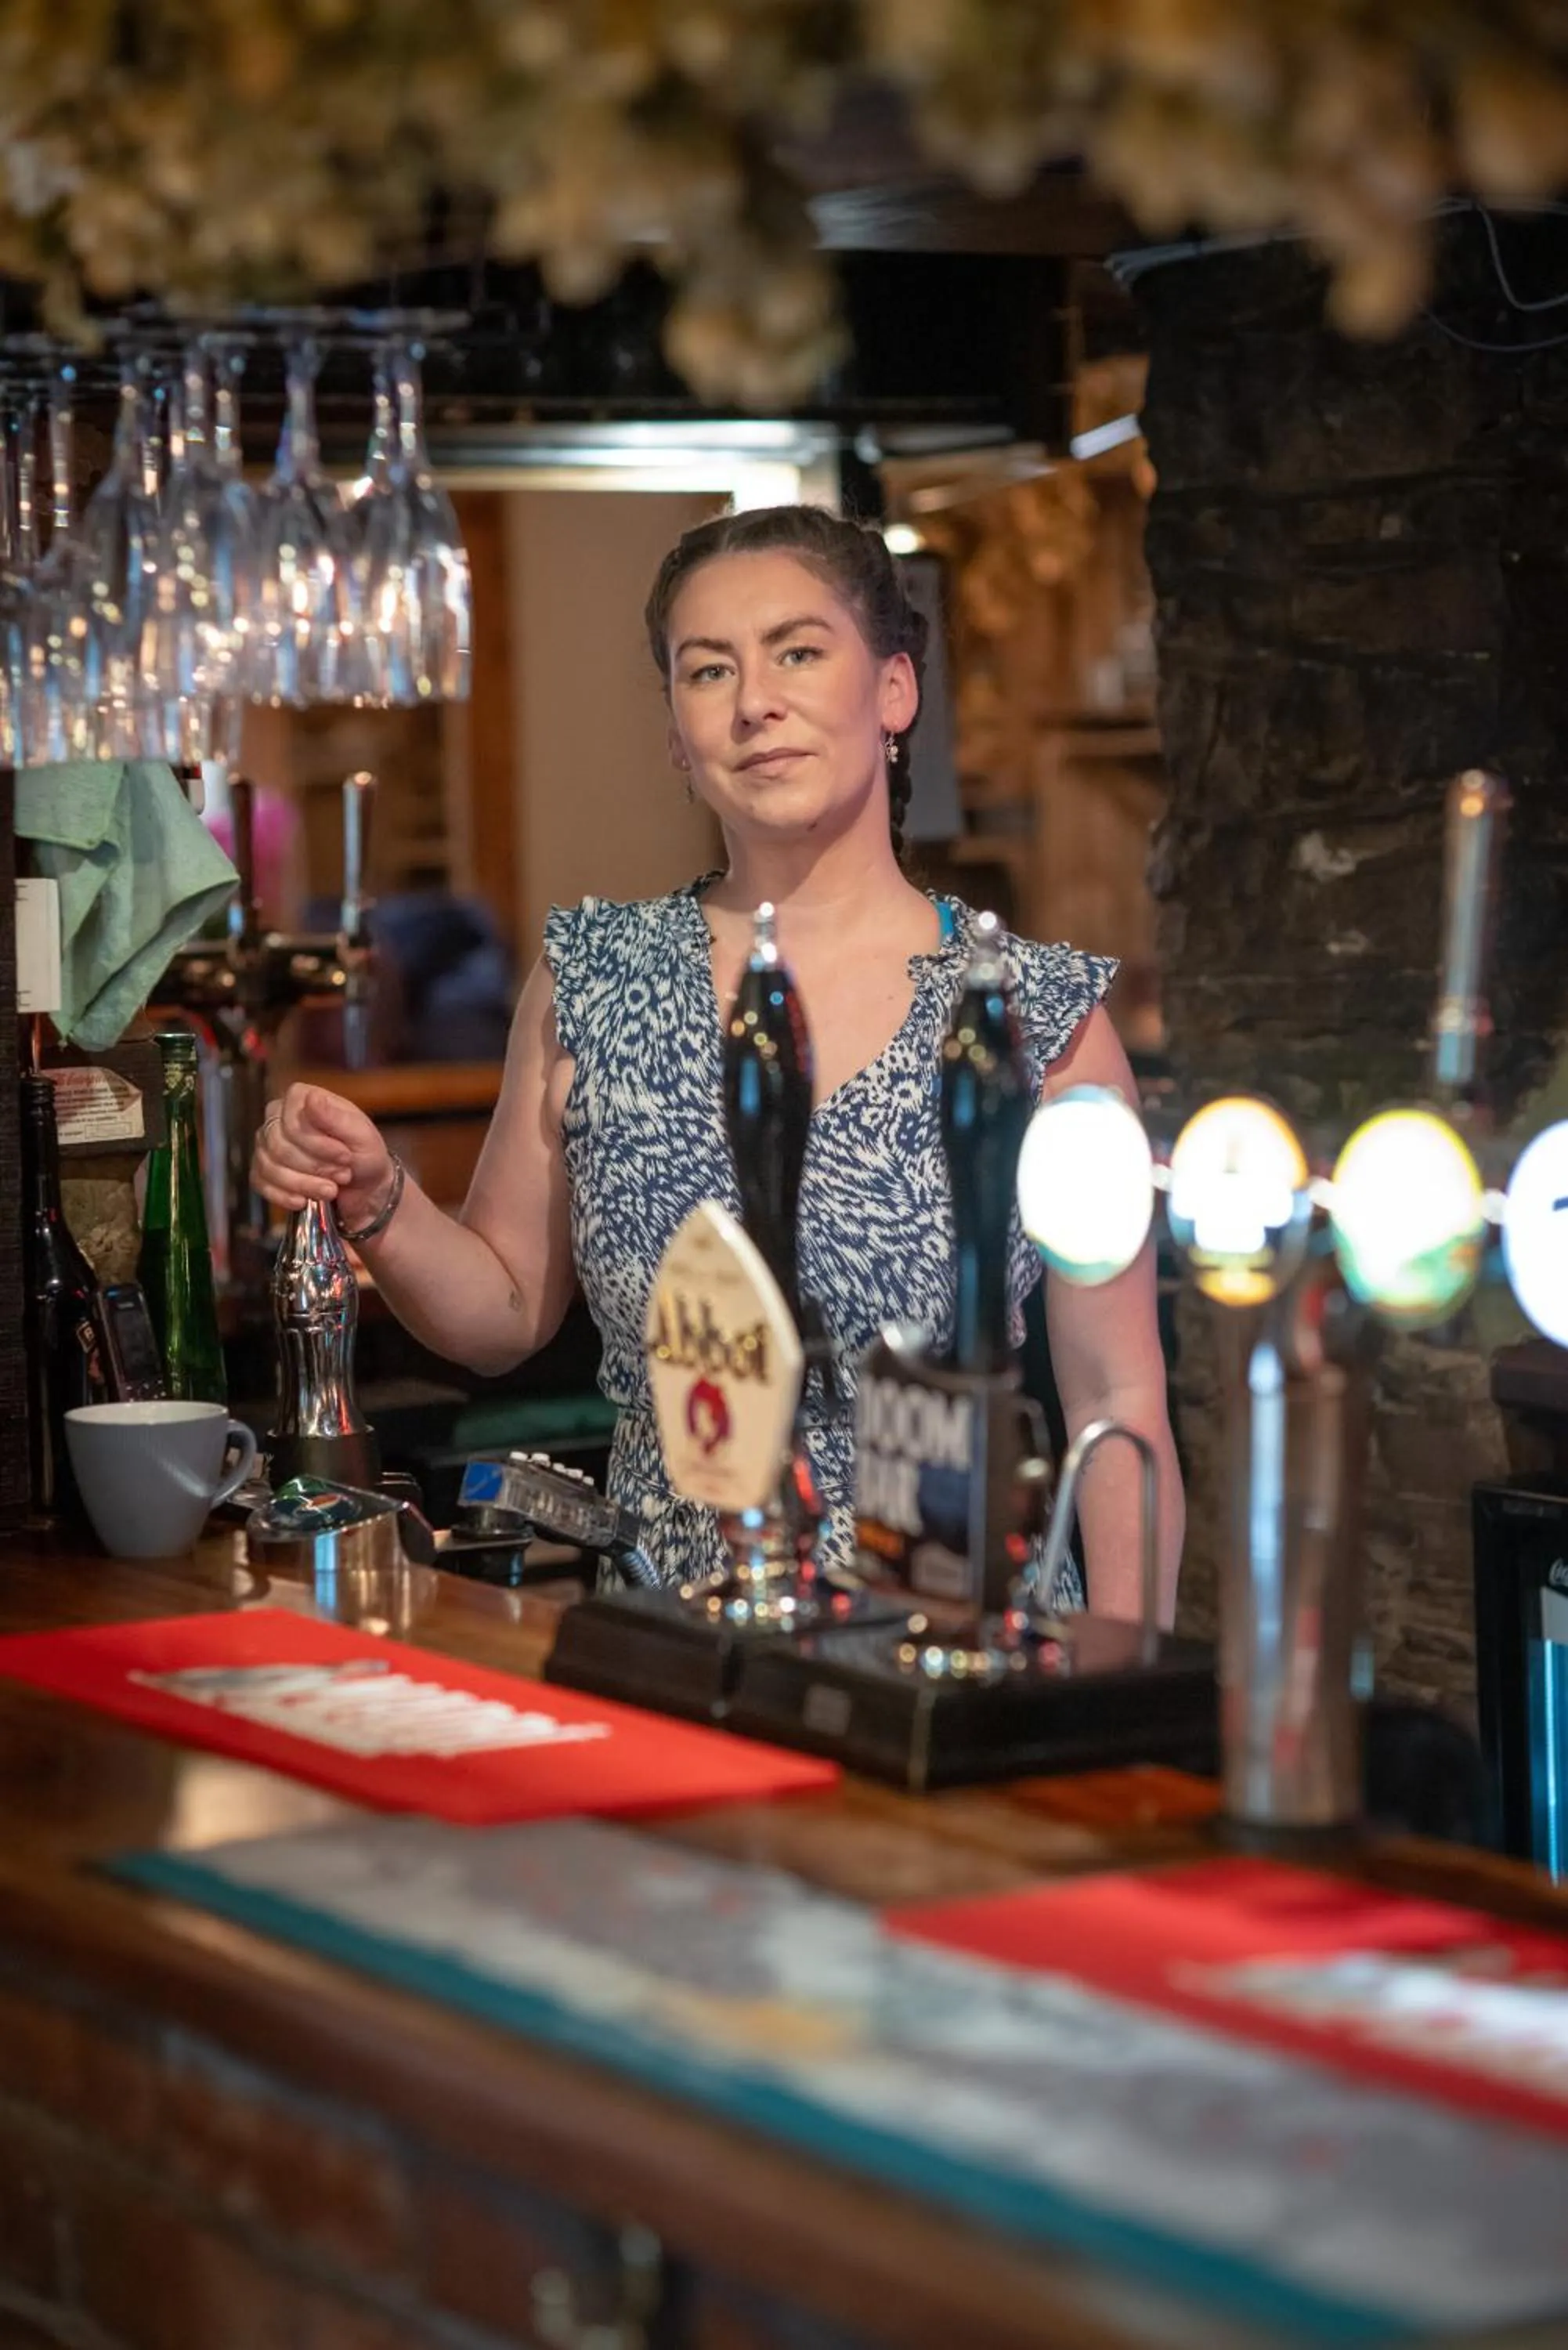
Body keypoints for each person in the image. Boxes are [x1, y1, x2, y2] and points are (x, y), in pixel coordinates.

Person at [252, 504, 1183, 1620]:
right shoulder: (590, 979)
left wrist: (1120, 1691)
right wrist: (379, 1202)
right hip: (670, 1628)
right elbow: (502, 1311)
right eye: (708, 672)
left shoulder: (1034, 1017)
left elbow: (1116, 1401)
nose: (754, 704)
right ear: (674, 734)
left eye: (798, 652)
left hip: (954, 1636)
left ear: (893, 690)